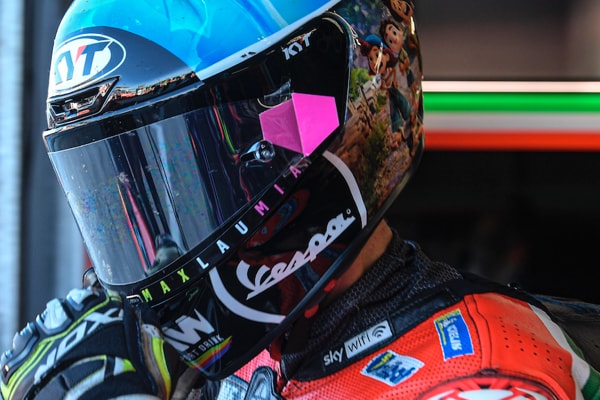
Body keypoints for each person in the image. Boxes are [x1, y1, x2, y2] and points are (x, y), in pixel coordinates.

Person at [2, 0, 600, 398]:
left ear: (289, 145)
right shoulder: (233, 353)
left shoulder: (486, 375)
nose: (159, 233)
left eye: (187, 178)